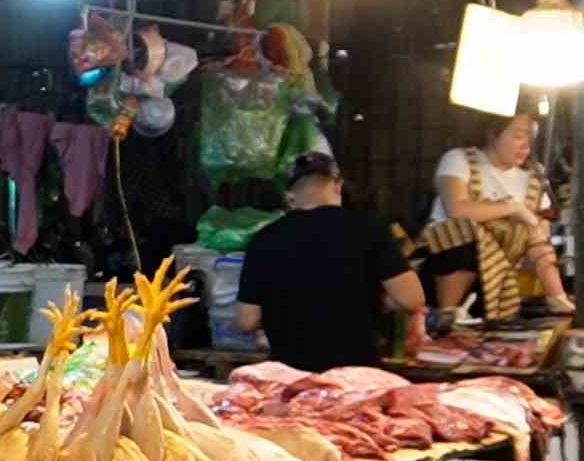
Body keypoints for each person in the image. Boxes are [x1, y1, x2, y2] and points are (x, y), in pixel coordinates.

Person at [235, 152, 425, 372]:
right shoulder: (370, 229)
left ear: (290, 197)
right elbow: (412, 299)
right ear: (338, 186)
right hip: (356, 378)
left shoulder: (264, 239)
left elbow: (246, 321)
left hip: (290, 380)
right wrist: (372, 300)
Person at [415, 111, 574, 319]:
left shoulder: (533, 179)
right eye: (518, 136)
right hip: (439, 282)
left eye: (530, 138)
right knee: (465, 232)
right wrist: (513, 208)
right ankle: (445, 316)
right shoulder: (460, 160)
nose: (526, 146)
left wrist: (557, 297)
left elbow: (539, 243)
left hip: (495, 290)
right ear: (493, 133)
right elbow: (456, 209)